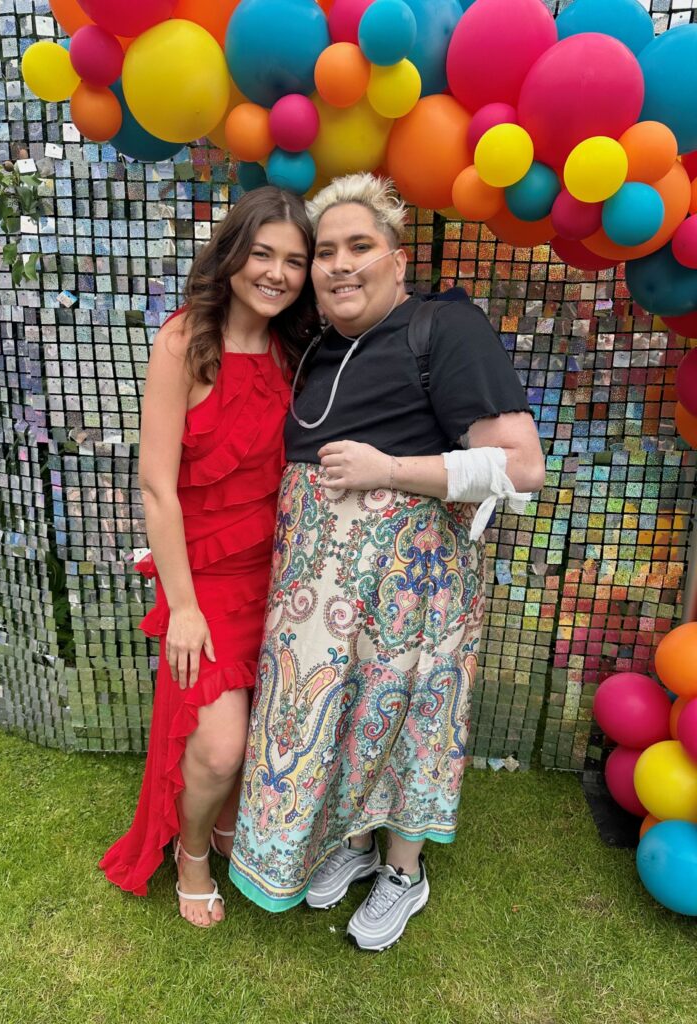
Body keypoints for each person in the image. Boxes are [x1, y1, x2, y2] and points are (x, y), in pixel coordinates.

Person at [228, 173, 546, 950]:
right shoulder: (315, 349)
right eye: (325, 252)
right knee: (340, 720)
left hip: (415, 589)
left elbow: (523, 467)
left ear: (397, 260)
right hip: (319, 591)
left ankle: (404, 871)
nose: (339, 265)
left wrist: (391, 470)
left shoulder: (443, 328)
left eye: (359, 247)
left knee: (407, 722)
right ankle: (359, 845)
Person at [99, 187, 319, 928]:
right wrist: (184, 605)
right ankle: (193, 852)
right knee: (222, 742)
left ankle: (225, 825)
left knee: (259, 727)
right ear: (231, 253)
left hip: (281, 574)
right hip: (208, 580)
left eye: (294, 260)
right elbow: (157, 488)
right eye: (262, 253)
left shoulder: (297, 349)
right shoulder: (184, 341)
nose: (277, 273)